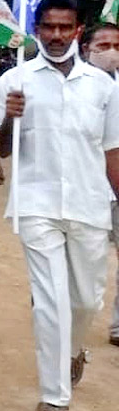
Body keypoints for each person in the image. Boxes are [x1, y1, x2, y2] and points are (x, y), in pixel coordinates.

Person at [0, 0, 119, 411]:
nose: (57, 35)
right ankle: (54, 396)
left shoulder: (104, 86)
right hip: (35, 204)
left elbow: (112, 151)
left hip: (89, 203)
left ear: (79, 30)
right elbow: (0, 150)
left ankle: (74, 350)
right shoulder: (16, 82)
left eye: (66, 27)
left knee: (86, 300)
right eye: (49, 27)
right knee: (51, 302)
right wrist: (9, 119)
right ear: (37, 29)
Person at [81, 22, 119, 348]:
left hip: (117, 186)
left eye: (117, 46)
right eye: (103, 45)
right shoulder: (78, 88)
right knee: (83, 265)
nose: (111, 53)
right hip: (87, 188)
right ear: (87, 50)